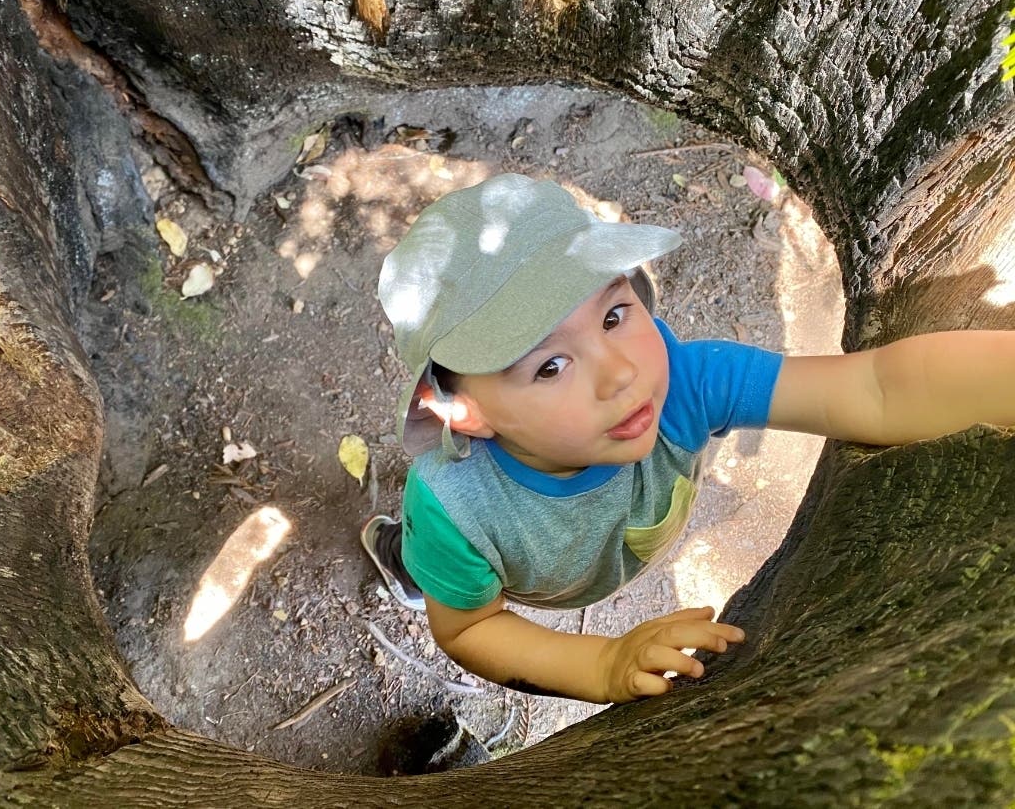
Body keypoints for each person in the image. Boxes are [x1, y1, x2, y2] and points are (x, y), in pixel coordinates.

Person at [360, 173, 1015, 705]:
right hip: (483, 553)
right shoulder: (455, 508)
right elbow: (471, 627)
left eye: (613, 315)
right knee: (442, 571)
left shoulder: (685, 384)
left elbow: (877, 387)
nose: (622, 374)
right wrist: (602, 664)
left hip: (596, 552)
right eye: (550, 366)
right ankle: (403, 559)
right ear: (463, 412)